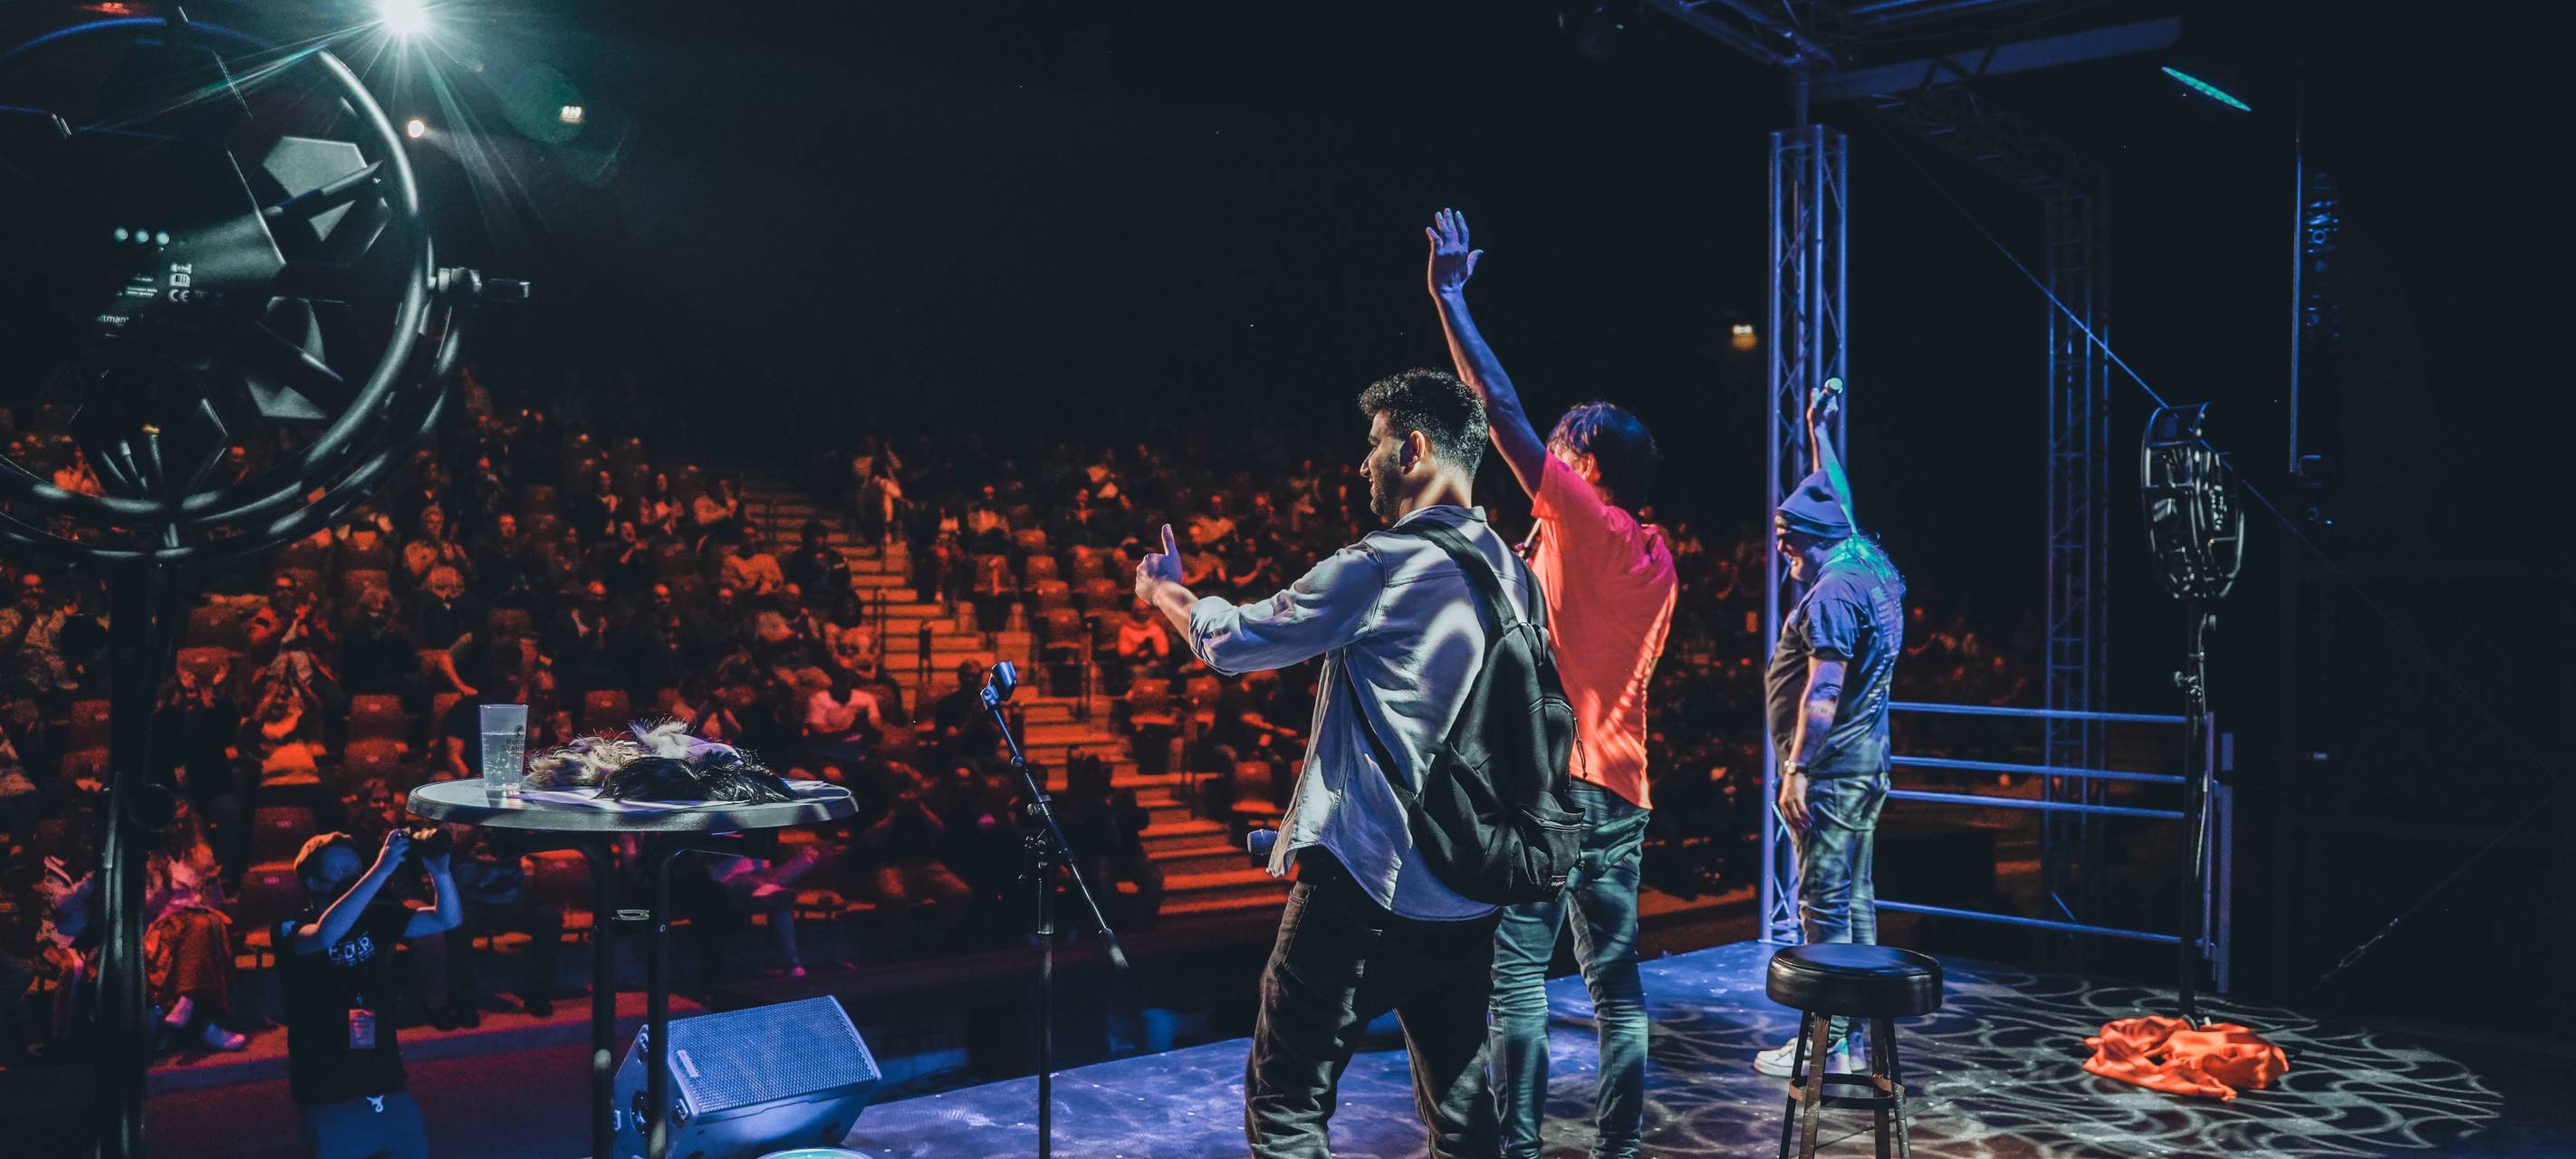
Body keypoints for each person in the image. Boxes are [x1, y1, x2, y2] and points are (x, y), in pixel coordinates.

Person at [1136, 368, 1526, 1158]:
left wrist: (1166, 594)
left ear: (1413, 449)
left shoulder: (1385, 563)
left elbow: (1234, 643)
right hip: (1472, 886)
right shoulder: (1514, 570)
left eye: (1373, 444)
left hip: (1371, 888)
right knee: (1462, 1108)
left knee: (1286, 1105)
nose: (1361, 463)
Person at [1426, 208, 1676, 1159]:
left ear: (1590, 466)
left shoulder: (1590, 525)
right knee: (1617, 987)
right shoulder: (1654, 554)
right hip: (1622, 790)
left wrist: (1450, 296)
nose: (1550, 462)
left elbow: (1496, 406)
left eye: (1566, 450)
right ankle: (1619, 1149)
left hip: (1552, 786)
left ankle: (1521, 1148)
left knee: (1518, 980)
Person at [1753, 381, 1907, 1077]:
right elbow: (1836, 497)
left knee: (1823, 907)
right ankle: (1861, 1035)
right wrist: (1820, 432)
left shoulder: (1834, 592)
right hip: (1866, 763)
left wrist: (1796, 768)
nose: (1783, 555)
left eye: (1789, 545)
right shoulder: (1864, 560)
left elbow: (1824, 689)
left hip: (1833, 772)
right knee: (1856, 900)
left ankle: (1828, 1044)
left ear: (1815, 540)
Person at [279, 829, 463, 1159]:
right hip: (326, 1086)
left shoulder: (374, 915)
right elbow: (325, 935)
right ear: (313, 882)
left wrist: (440, 873)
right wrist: (381, 870)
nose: (353, 878)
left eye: (356, 870)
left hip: (384, 1076)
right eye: (341, 872)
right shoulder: (289, 925)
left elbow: (447, 918)